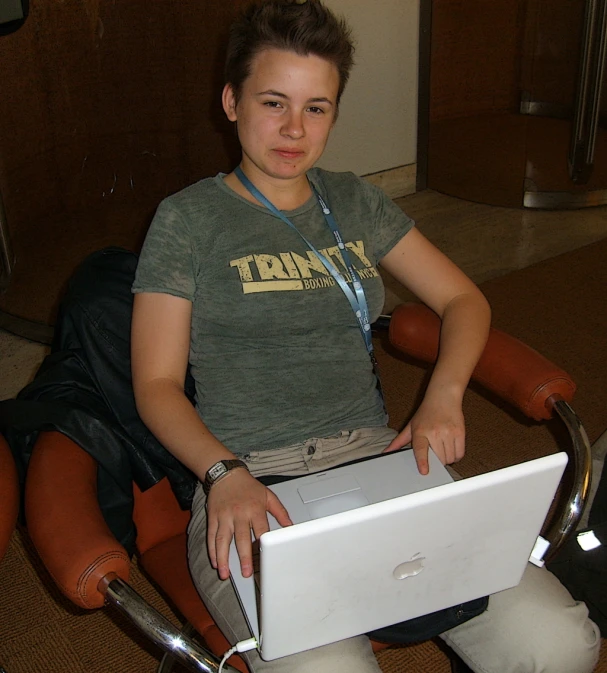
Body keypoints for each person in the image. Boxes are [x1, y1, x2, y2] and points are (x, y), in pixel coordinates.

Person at [130, 1, 601, 671]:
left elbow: (464, 299)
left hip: (376, 461)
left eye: (316, 107)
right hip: (249, 479)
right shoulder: (187, 220)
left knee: (557, 644)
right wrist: (221, 472)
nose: (294, 129)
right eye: (274, 102)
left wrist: (442, 394)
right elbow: (154, 383)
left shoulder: (351, 200)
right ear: (231, 101)